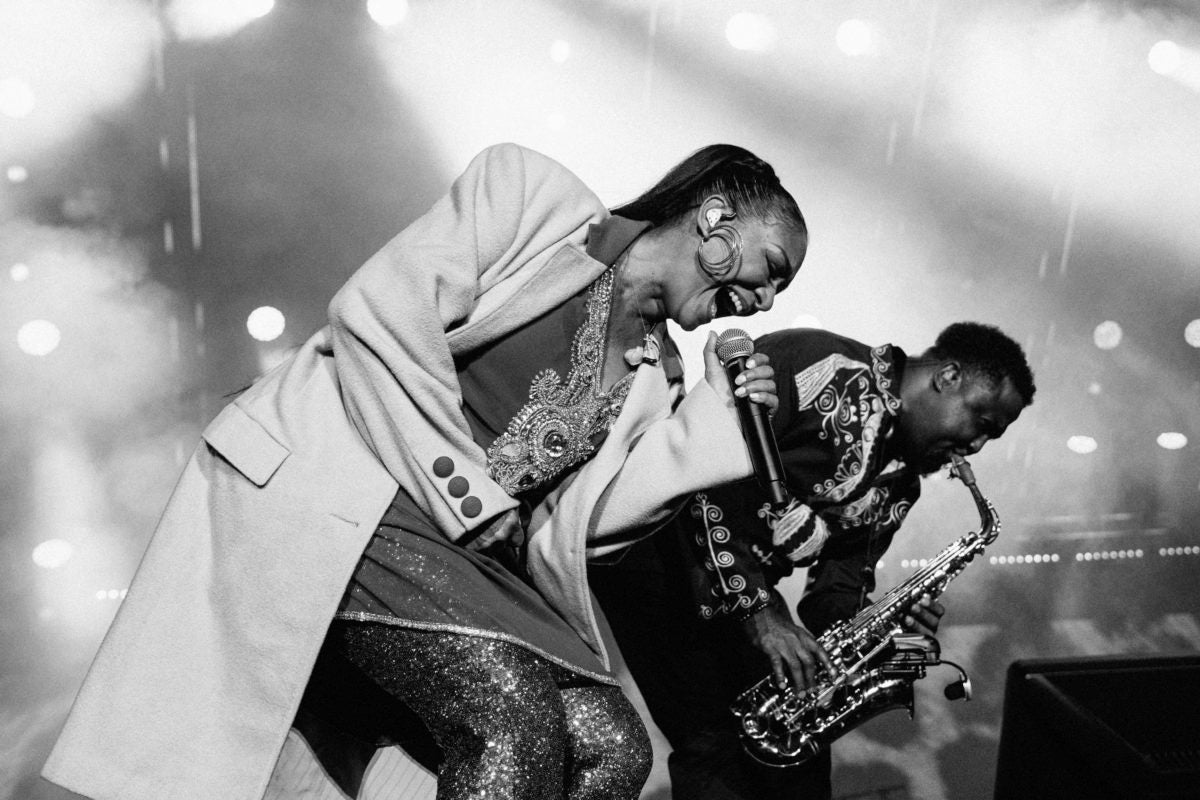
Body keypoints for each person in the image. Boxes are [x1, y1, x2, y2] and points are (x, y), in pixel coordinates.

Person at [42, 142, 808, 800]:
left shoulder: (657, 376)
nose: (765, 301)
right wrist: (468, 495)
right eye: (770, 268)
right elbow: (380, 312)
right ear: (714, 219)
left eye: (778, 290)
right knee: (512, 712)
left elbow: (581, 534)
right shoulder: (534, 200)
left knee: (615, 745)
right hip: (358, 488)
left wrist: (714, 421)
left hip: (464, 556)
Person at [590, 321, 1036, 800]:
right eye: (982, 423)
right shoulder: (817, 362)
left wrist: (886, 631)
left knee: (796, 761)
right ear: (948, 377)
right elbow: (702, 475)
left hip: (740, 604)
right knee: (718, 752)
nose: (976, 447)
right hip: (663, 566)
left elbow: (832, 597)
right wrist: (761, 612)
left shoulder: (901, 485)